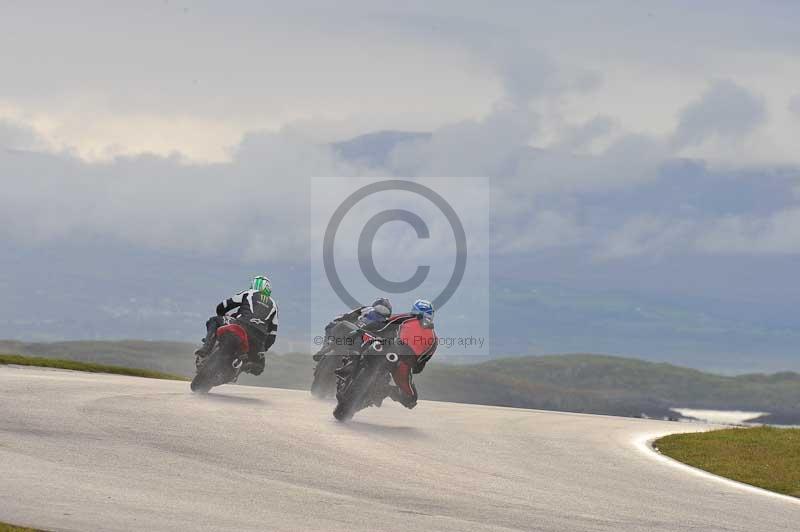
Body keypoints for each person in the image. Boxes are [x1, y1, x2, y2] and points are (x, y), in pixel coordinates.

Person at [194, 275, 278, 376]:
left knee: (213, 320)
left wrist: (222, 314)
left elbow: (223, 306)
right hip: (259, 339)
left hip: (242, 325)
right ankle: (241, 367)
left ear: (253, 285)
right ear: (268, 288)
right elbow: (272, 335)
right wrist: (262, 350)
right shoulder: (274, 305)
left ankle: (206, 349)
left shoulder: (249, 293)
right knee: (258, 367)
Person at [312, 297, 392, 361]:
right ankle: (325, 349)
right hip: (363, 338)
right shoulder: (387, 321)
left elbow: (344, 317)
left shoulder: (368, 309)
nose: (381, 311)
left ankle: (325, 349)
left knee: (332, 325)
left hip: (359, 336)